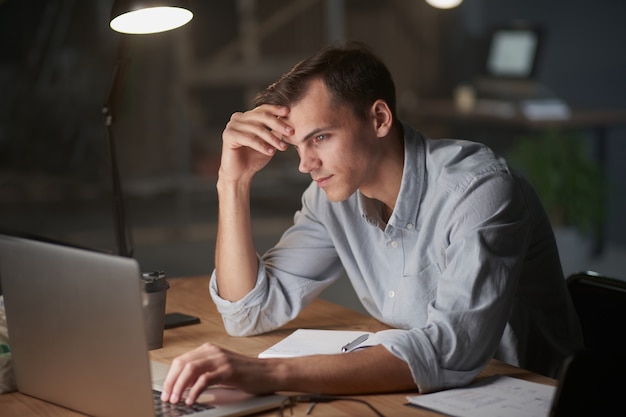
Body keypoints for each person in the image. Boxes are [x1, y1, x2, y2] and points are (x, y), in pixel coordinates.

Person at [160, 41, 583, 405]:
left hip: (525, 398)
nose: (306, 164)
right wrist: (232, 182)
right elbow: (248, 313)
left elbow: (453, 351)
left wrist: (269, 374)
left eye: (321, 137)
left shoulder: (477, 190)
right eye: (298, 145)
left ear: (379, 118)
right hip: (424, 394)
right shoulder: (333, 198)